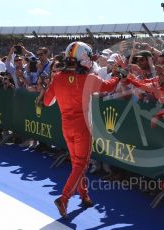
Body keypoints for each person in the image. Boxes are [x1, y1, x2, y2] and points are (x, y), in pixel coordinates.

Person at [38, 41, 121, 218]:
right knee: (80, 164)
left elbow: (46, 102)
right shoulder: (88, 79)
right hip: (82, 126)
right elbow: (110, 86)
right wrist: (119, 74)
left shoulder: (58, 77)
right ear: (83, 59)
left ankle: (84, 196)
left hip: (66, 126)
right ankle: (64, 198)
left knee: (77, 164)